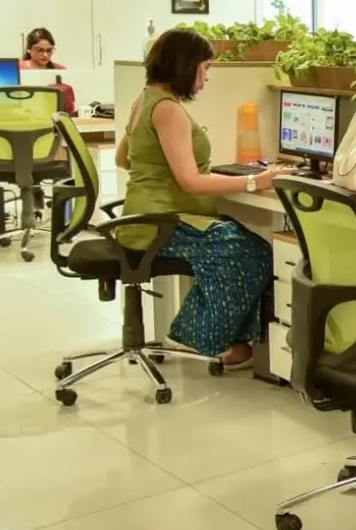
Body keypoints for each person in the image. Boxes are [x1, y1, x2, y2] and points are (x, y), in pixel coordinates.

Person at [115, 28, 286, 370]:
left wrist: (160, 170)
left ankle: (235, 346)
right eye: (205, 67)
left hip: (145, 218)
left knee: (246, 245)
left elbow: (124, 159)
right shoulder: (168, 109)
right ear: (186, 66)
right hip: (159, 224)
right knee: (247, 251)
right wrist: (256, 181)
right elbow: (191, 182)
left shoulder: (146, 99)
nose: (207, 77)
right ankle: (196, 334)